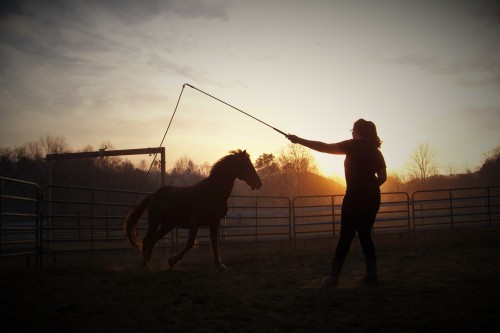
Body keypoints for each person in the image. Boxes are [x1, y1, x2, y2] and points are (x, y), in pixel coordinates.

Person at [288, 118, 387, 286]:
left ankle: (334, 278)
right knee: (365, 235)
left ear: (357, 131)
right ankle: (372, 277)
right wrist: (369, 187)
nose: (352, 133)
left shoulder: (352, 145)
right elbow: (383, 178)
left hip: (354, 196)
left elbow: (324, 147)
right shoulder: (376, 152)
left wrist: (299, 141)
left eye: (352, 130)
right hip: (372, 197)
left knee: (346, 236)